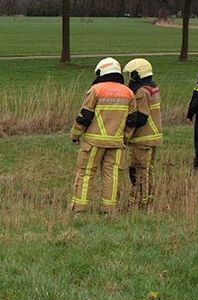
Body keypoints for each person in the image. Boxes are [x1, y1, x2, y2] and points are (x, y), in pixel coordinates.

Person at [68, 57, 137, 213]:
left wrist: (75, 134)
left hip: (93, 142)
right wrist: (125, 137)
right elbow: (132, 120)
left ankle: (79, 209)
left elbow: (85, 116)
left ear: (101, 72)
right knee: (111, 176)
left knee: (85, 174)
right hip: (117, 143)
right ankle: (108, 210)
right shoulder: (128, 92)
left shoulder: (96, 90)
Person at [123, 58, 163, 209]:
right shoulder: (153, 87)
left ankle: (142, 201)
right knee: (148, 169)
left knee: (140, 169)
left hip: (143, 137)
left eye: (132, 75)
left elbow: (141, 117)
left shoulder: (141, 91)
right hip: (154, 135)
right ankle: (148, 197)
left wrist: (127, 129)